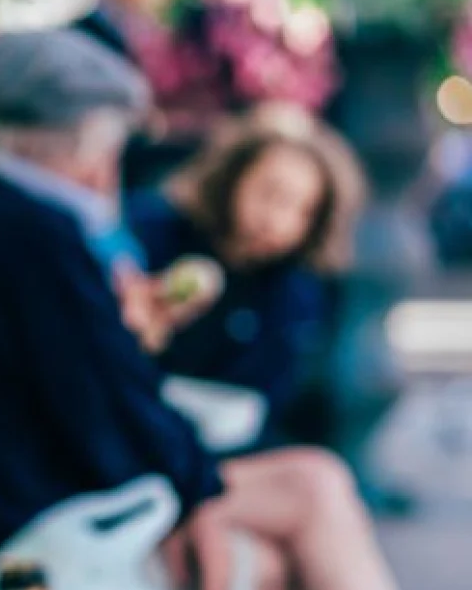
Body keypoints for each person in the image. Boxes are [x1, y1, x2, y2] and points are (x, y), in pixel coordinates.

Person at [0, 29, 418, 590]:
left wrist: (189, 486)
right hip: (3, 554)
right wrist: (194, 495)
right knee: (312, 493)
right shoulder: (27, 235)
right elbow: (112, 410)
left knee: (297, 542)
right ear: (88, 140)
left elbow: (97, 398)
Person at [122, 105, 366, 454]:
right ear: (234, 177)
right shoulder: (149, 235)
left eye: (301, 209)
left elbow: (270, 398)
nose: (277, 221)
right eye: (270, 194)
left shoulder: (297, 290)